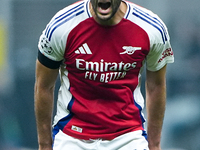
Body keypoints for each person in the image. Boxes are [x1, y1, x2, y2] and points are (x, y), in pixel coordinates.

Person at [34, 0, 174, 149]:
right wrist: (44, 145)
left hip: (128, 137)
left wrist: (154, 145)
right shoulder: (61, 27)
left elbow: (156, 85)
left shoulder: (151, 28)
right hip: (72, 136)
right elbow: (43, 86)